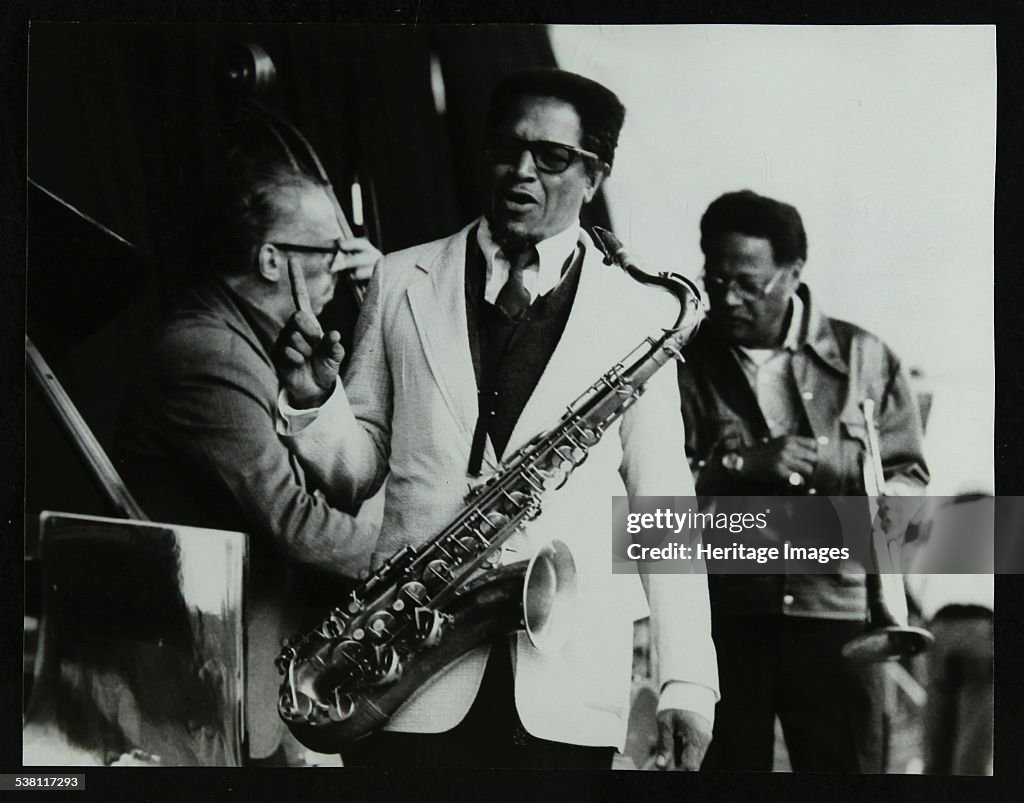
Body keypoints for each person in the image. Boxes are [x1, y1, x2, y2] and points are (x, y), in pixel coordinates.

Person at [273, 68, 719, 770]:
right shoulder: (398, 278)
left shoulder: (642, 314)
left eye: (552, 157)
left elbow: (664, 506)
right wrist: (312, 401)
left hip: (565, 686)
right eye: (508, 149)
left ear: (594, 175)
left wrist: (687, 681)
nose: (522, 171)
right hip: (406, 677)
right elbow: (355, 471)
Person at [114, 162, 383, 764]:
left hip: (250, 648)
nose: (346, 264)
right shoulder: (212, 354)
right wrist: (412, 555)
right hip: (202, 675)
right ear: (270, 262)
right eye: (331, 251)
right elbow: (295, 522)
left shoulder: (248, 336)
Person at [677, 190, 929, 772]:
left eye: (748, 282)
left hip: (840, 621)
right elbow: (648, 509)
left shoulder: (867, 356)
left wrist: (837, 468)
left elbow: (910, 496)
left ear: (793, 274)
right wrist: (742, 465)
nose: (727, 298)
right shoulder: (682, 361)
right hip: (723, 619)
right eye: (715, 282)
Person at [908, 493, 997, 775]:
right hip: (983, 630)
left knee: (937, 722)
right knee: (975, 729)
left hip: (940, 629)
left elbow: (914, 579)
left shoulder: (940, 539)